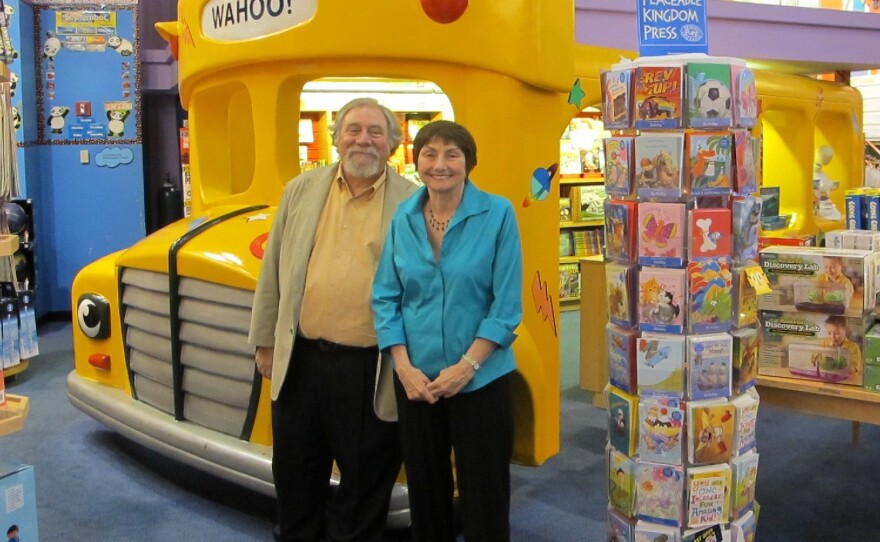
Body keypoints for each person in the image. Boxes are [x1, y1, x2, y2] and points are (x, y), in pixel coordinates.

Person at [248, 97, 416, 542]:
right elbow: (274, 272)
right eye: (354, 129)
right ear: (337, 136)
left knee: (363, 492)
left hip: (371, 369)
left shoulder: (414, 203)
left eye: (375, 132)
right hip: (300, 363)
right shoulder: (300, 190)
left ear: (393, 144)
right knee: (296, 481)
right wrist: (265, 340)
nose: (363, 139)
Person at [372, 120, 523, 541]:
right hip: (417, 381)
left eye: (452, 154)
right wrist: (402, 366)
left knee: (484, 495)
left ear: (469, 163)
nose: (440, 164)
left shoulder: (498, 213)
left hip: (481, 379)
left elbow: (506, 305)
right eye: (430, 154)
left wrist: (467, 366)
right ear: (416, 161)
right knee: (426, 492)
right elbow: (386, 297)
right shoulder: (403, 217)